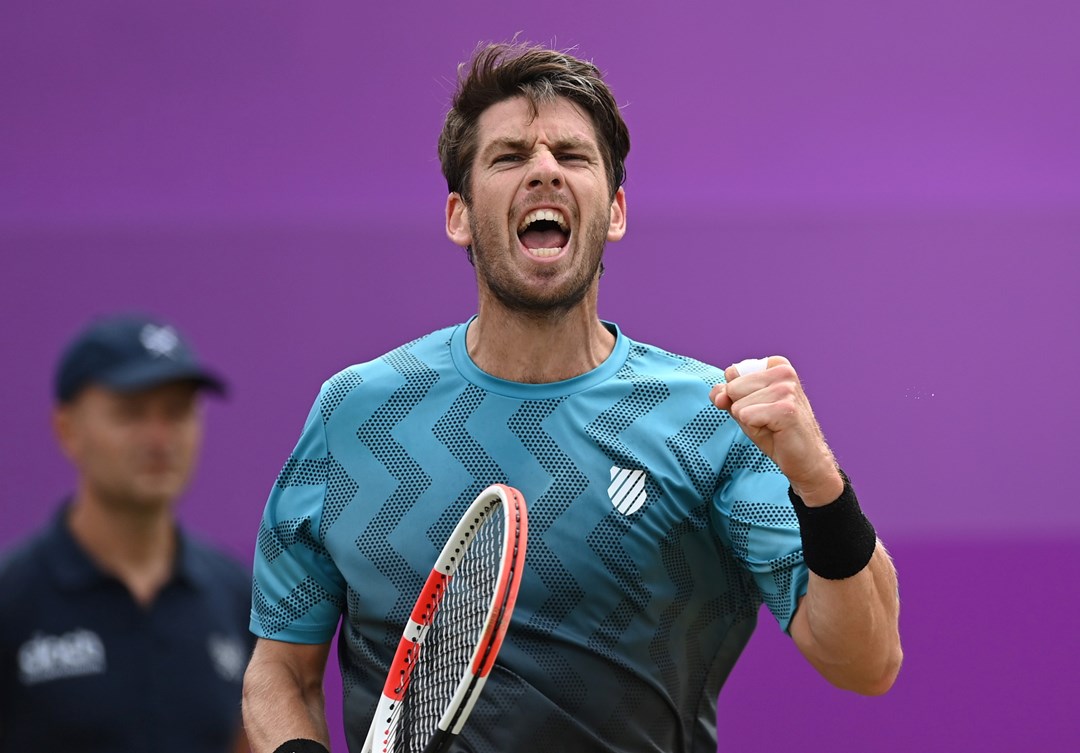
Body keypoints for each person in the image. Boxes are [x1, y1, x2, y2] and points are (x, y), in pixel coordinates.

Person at [242, 43, 903, 753]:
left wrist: (818, 483)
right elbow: (280, 668)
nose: (545, 169)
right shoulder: (354, 414)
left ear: (614, 210)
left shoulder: (708, 421)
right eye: (509, 156)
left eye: (573, 155)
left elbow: (867, 661)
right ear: (459, 215)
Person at [0, 314, 254, 753]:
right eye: (131, 413)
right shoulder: (11, 599)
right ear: (67, 429)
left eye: (177, 412)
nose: (159, 439)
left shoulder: (236, 598)